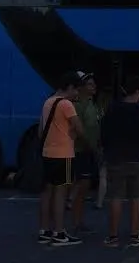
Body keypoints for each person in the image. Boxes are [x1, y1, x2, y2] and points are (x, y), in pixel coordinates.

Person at [101, 77, 139, 248]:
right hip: (138, 158)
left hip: (116, 158)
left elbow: (104, 134)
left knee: (115, 197)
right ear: (138, 91)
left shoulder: (112, 109)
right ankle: (134, 235)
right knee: (136, 198)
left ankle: (113, 236)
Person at [38, 73, 84, 247]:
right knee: (61, 193)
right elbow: (79, 128)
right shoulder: (66, 104)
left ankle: (44, 230)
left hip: (47, 152)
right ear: (70, 87)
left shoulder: (48, 102)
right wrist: (73, 134)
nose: (77, 94)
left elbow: (40, 130)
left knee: (47, 192)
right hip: (63, 153)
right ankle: (59, 232)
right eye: (76, 90)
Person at [69, 71, 100, 235]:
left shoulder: (91, 104)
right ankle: (76, 221)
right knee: (81, 186)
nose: (94, 87)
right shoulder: (77, 105)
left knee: (85, 187)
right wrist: (89, 144)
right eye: (90, 84)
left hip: (91, 150)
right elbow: (78, 129)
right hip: (81, 151)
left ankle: (79, 220)